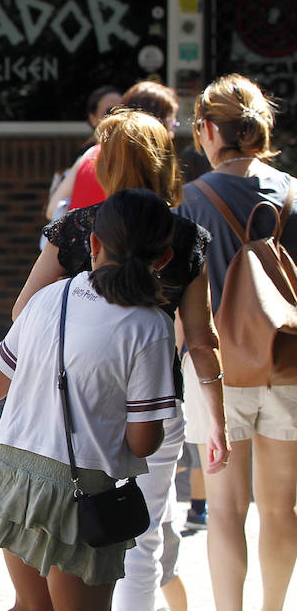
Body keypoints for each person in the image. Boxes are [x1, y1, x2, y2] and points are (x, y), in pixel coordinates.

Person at [13, 110, 228, 611]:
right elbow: (201, 338)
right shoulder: (186, 238)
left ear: (107, 165)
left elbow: (23, 310)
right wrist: (215, 417)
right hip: (150, 406)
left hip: (68, 405)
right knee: (141, 539)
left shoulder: (76, 229)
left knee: (62, 538)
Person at [0, 189, 180, 611]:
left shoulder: (48, 297)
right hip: (85, 492)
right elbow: (143, 441)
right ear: (164, 258)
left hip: (14, 477)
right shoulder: (151, 326)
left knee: (29, 605)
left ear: (93, 244)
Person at [176, 74, 297, 611]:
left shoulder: (194, 200)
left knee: (224, 508)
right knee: (281, 508)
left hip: (216, 370)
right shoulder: (293, 191)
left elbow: (179, 295)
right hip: (289, 363)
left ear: (206, 130)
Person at [67, 81, 180, 212]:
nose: (172, 133)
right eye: (171, 123)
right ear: (154, 123)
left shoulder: (90, 154)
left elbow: (52, 208)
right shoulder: (145, 161)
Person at [44, 85, 121, 224]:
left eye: (123, 110)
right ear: (93, 118)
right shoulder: (86, 157)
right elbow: (53, 209)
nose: (118, 117)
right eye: (109, 112)